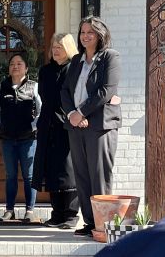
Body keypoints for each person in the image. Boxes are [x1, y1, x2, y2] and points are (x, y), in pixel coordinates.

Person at [60, 16, 122, 237]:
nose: (85, 36)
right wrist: (72, 114)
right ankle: (89, 222)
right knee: (82, 175)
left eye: (90, 32)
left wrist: (81, 112)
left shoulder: (110, 57)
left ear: (100, 34)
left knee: (99, 174)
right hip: (76, 126)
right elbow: (65, 91)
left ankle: (103, 224)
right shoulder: (76, 60)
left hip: (100, 125)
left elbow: (106, 91)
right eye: (82, 32)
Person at [32, 33, 80, 229]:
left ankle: (70, 214)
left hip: (67, 124)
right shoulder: (45, 71)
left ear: (68, 48)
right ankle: (57, 213)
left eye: (59, 46)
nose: (55, 50)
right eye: (53, 46)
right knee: (50, 169)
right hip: (47, 124)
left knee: (68, 170)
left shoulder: (75, 69)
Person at [0, 52, 41, 222]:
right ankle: (9, 210)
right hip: (7, 139)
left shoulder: (34, 87)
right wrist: (1, 128)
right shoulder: (1, 87)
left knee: (29, 176)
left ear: (26, 68)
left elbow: (41, 111)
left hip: (28, 139)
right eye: (12, 63)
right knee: (10, 175)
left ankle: (30, 210)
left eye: (19, 63)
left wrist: (33, 126)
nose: (15, 66)